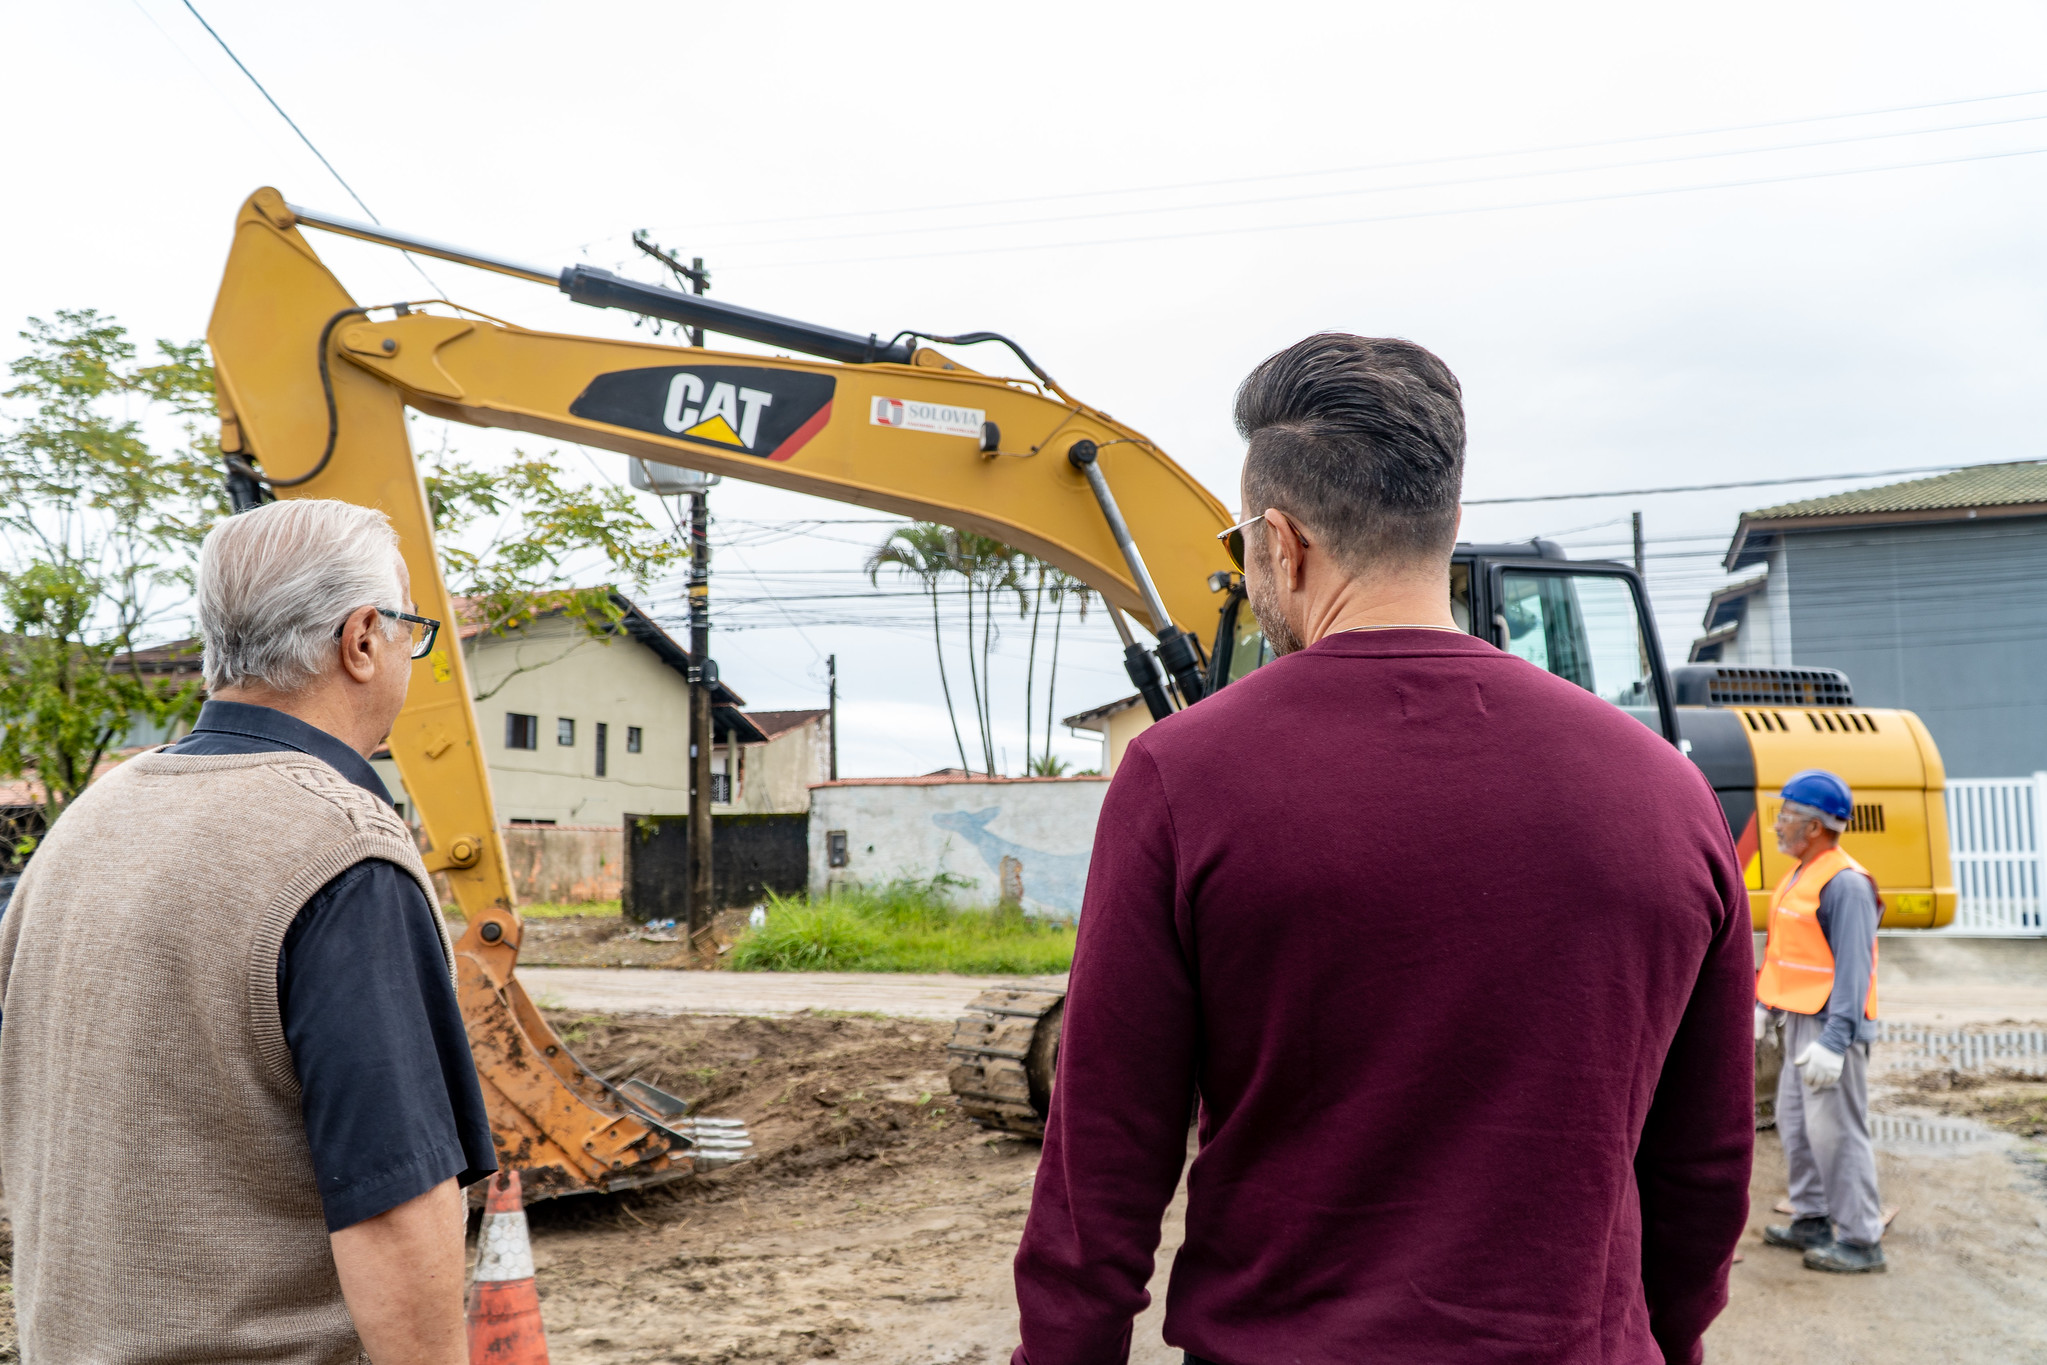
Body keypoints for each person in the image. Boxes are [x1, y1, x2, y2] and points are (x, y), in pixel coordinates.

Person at [1011, 334, 1755, 1365]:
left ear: (1280, 542)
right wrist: (1658, 1340)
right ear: (1444, 525)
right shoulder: (1666, 794)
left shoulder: (1183, 778)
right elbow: (1704, 1167)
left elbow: (1102, 1166)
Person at [0, 499, 496, 1364]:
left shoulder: (90, 821)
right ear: (363, 638)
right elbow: (394, 1208)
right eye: (410, 630)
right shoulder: (340, 847)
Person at [1755, 769, 1886, 1274]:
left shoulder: (1846, 883)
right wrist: (1766, 1007)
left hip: (1834, 1030)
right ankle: (1811, 1217)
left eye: (1786, 816)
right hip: (1799, 1022)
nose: (1778, 825)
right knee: (1797, 1125)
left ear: (1813, 827)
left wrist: (1835, 1041)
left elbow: (1856, 970)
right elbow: (1788, 953)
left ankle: (1860, 1239)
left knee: (1837, 1133)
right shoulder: (1801, 874)